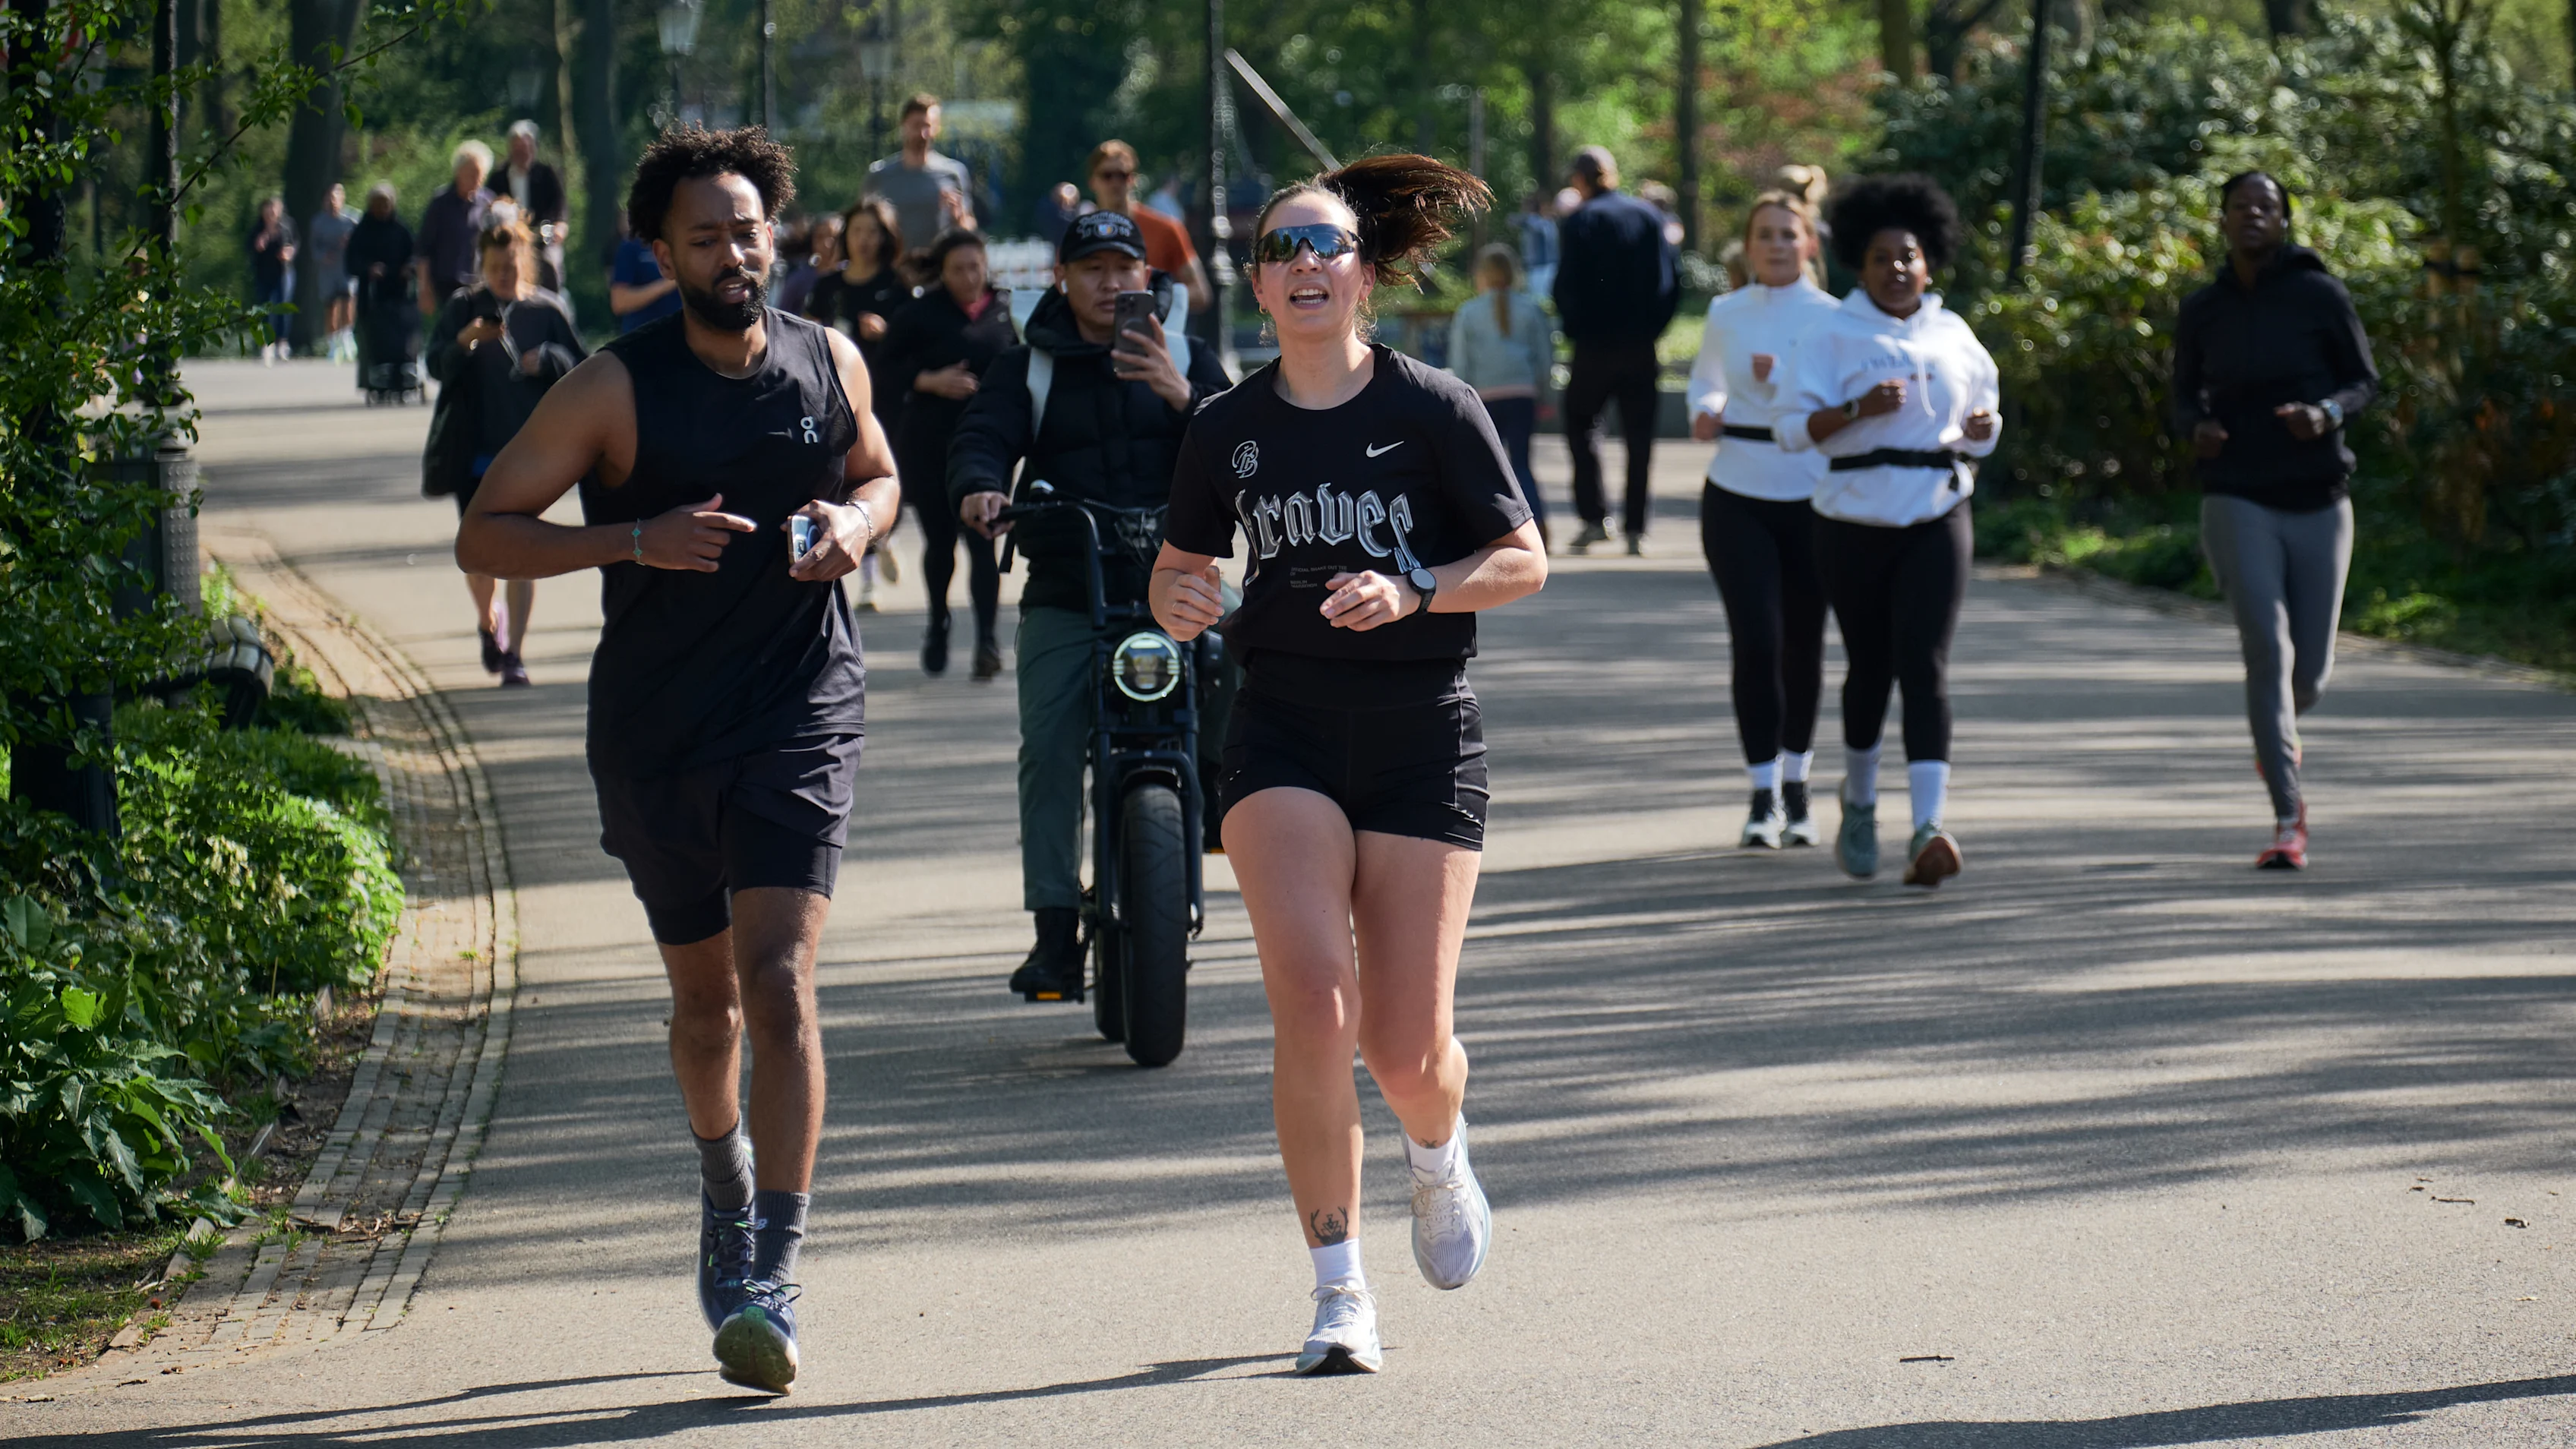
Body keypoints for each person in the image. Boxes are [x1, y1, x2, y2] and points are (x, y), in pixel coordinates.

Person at [455, 125, 900, 1397]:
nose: (733, 252)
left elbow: (880, 475)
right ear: (660, 251)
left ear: (778, 234)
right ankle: (724, 1180)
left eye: (748, 228)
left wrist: (851, 525)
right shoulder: (613, 386)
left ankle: (772, 1267)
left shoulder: (829, 359)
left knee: (780, 982)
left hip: (802, 707)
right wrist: (633, 539)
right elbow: (487, 536)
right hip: (656, 732)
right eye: (704, 235)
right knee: (705, 1008)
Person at [1148, 155, 1546, 1375]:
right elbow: (1176, 571)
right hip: (1282, 730)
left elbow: (1524, 559)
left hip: (1424, 729)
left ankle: (1438, 1152)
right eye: (1283, 251)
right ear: (1258, 289)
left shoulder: (1434, 407)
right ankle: (1338, 1290)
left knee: (1406, 1048)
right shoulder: (1227, 428)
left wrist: (1418, 584)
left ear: (1366, 274)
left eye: (1327, 247)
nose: (1306, 266)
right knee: (1315, 1005)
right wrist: (1180, 600)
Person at [946, 207, 1233, 999]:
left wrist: (1183, 398)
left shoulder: (1188, 355)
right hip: (1071, 589)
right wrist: (977, 488)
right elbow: (981, 436)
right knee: (1046, 745)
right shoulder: (1026, 367)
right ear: (1062, 279)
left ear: (1148, 277)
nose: (1110, 284)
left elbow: (1251, 454)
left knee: (1252, 640)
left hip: (1182, 580)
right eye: (1092, 270)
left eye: (1124, 269)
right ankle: (1051, 930)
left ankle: (1215, 798)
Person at [1776, 173, 1998, 890]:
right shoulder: (1830, 333)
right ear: (1858, 267)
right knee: (1871, 667)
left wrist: (1983, 431)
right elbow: (1791, 431)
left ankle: (1930, 824)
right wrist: (1856, 409)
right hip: (1851, 518)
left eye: (1909, 256)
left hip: (1937, 507)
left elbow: (1986, 417)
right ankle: (1863, 800)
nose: (1897, 269)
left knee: (1926, 665)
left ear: (1928, 260)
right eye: (1881, 258)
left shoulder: (1953, 333)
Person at [2173, 171, 2378, 871]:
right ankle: (2289, 819)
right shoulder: (2204, 308)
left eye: (2266, 207)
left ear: (2284, 219)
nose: (2253, 216)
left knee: (2310, 678)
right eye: (2240, 207)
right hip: (2235, 494)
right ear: (2222, 221)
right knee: (2268, 646)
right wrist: (2196, 426)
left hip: (2318, 494)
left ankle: (2276, 738)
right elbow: (2181, 396)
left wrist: (2325, 414)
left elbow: (2364, 381)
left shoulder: (2320, 294)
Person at [1686, 191, 1840, 849]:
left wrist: (1793, 387)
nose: (1776, 245)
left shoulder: (1835, 318)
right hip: (1736, 492)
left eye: (1788, 234)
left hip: (1812, 498)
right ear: (1748, 247)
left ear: (1809, 244)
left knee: (1802, 645)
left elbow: (1844, 400)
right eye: (1765, 236)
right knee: (1755, 642)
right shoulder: (1727, 311)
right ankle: (1761, 792)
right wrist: (1708, 406)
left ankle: (1799, 783)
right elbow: (1706, 380)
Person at [425, 218, 586, 688]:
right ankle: (486, 622)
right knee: (478, 556)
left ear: (525, 263)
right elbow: (435, 364)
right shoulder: (463, 307)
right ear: (482, 265)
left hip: (530, 455)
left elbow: (585, 371)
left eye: (510, 267)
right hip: (471, 449)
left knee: (522, 553)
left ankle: (515, 652)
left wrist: (551, 360)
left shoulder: (547, 310)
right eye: (494, 268)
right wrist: (465, 340)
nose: (502, 276)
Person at [880, 228, 1015, 678]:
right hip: (930, 444)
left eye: (976, 266)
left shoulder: (1004, 312)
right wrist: (929, 381)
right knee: (940, 542)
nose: (970, 277)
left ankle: (988, 641)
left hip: (989, 449)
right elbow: (883, 370)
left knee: (983, 541)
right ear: (942, 272)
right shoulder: (919, 314)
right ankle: (938, 622)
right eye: (958, 269)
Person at [1552, 145, 1680, 555]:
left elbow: (1566, 285)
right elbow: (1669, 281)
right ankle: (1636, 528)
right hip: (1640, 345)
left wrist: (1576, 329)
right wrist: (1651, 330)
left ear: (1580, 179)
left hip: (1594, 346)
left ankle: (1594, 517)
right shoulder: (1647, 216)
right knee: (1640, 438)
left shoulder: (1580, 221)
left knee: (1581, 425)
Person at [1445, 243, 1555, 547]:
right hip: (1522, 394)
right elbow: (1545, 358)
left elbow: (1460, 362)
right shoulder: (1531, 309)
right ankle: (1540, 529)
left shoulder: (1468, 312)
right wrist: (1544, 395)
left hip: (1484, 398)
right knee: (1521, 464)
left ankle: (1489, 532)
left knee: (1486, 468)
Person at [1085, 139, 1212, 317]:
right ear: (1093, 181)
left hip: (1150, 333)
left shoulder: (1167, 229)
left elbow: (1200, 292)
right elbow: (1064, 289)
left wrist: (1153, 301)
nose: (1115, 183)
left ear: (1133, 179)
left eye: (1122, 175)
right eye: (1107, 175)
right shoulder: (1080, 234)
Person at [864, 94, 974, 257]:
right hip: (893, 269)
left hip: (937, 267)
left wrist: (958, 218)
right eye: (916, 126)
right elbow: (863, 226)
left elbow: (968, 227)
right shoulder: (879, 175)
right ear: (903, 126)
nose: (923, 134)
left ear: (937, 128)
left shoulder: (953, 173)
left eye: (928, 126)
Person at [347, 183, 418, 392]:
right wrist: (369, 269)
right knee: (374, 334)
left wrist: (409, 268)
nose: (382, 209)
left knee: (403, 330)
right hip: (372, 295)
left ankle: (404, 371)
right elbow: (351, 262)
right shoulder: (362, 231)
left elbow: (414, 254)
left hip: (400, 293)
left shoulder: (401, 229)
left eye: (385, 204)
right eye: (377, 204)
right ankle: (376, 375)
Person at [415, 140, 495, 319]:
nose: (477, 180)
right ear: (459, 172)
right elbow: (424, 249)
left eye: (481, 175)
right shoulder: (440, 203)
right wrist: (424, 288)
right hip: (446, 283)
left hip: (478, 282)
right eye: (472, 174)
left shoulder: (487, 202)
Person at [491, 119, 571, 292]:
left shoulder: (546, 173)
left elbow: (559, 203)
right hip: (509, 239)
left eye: (526, 148)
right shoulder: (498, 177)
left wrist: (560, 225)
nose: (522, 153)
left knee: (551, 265)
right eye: (517, 148)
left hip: (543, 236)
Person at [609, 209, 683, 333]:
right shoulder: (631, 247)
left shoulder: (685, 245)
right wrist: (667, 284)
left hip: (682, 338)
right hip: (642, 338)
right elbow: (619, 302)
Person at [308, 183, 358, 361]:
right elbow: (314, 247)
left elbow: (363, 241)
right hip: (329, 270)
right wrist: (323, 256)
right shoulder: (318, 222)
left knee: (348, 302)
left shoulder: (353, 218)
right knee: (330, 306)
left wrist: (351, 243)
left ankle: (347, 337)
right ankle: (332, 344)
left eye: (336, 196)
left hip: (347, 268)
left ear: (342, 197)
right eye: (329, 197)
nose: (333, 200)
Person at [248, 196, 297, 363]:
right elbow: (249, 248)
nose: (272, 212)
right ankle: (266, 344)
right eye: (268, 209)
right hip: (263, 273)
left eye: (275, 208)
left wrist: (290, 252)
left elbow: (296, 242)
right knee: (264, 308)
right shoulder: (257, 229)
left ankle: (282, 343)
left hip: (283, 273)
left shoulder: (287, 225)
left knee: (283, 307)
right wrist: (257, 246)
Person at [775, 213, 838, 320]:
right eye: (820, 237)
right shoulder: (800, 279)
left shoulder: (851, 276)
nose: (827, 243)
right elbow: (782, 315)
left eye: (834, 237)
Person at [1514, 191, 1559, 298]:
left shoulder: (1534, 222)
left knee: (1539, 300)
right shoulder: (1549, 222)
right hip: (1548, 268)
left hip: (1540, 270)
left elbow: (1512, 220)